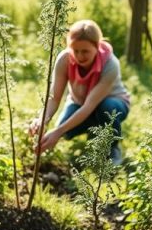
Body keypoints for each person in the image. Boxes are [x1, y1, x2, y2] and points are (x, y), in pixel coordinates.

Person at [28, 19, 130, 163]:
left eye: (85, 51)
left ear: (97, 46)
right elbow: (54, 98)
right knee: (66, 132)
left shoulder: (110, 64)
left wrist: (57, 132)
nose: (80, 56)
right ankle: (95, 128)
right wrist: (42, 119)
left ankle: (112, 147)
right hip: (79, 103)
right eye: (75, 51)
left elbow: (90, 105)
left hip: (112, 103)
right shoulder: (64, 59)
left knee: (106, 109)